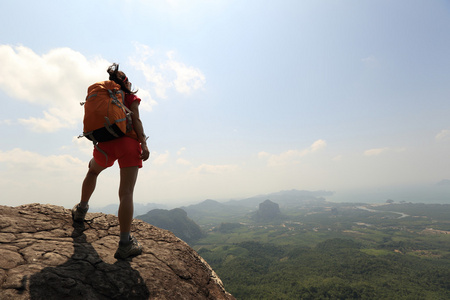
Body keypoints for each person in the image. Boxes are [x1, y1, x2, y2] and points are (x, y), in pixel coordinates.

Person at [72, 63, 150, 259]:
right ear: (126, 84)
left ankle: (81, 210)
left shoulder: (105, 94)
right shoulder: (130, 97)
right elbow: (137, 120)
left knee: (92, 171)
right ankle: (125, 243)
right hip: (129, 144)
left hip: (105, 144)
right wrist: (145, 144)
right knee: (126, 192)